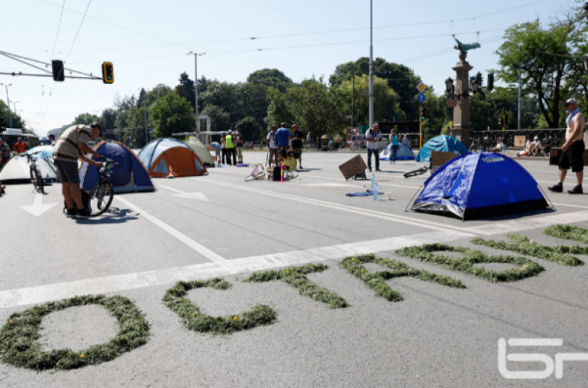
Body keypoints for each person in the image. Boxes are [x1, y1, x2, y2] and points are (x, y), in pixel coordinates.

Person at [53, 122, 103, 217]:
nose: (96, 137)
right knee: (75, 184)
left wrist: (95, 163)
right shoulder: (87, 129)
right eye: (98, 135)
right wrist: (94, 153)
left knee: (66, 183)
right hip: (68, 155)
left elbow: (81, 155)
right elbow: (82, 146)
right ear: (96, 130)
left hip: (58, 153)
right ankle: (81, 209)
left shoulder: (78, 129)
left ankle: (70, 209)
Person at [549, 98, 585, 194]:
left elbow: (577, 130)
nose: (566, 107)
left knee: (577, 165)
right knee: (562, 163)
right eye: (566, 105)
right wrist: (567, 142)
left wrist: (567, 142)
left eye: (568, 105)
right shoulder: (571, 116)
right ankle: (559, 185)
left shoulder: (578, 115)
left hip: (575, 144)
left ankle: (579, 186)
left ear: (574, 105)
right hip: (569, 143)